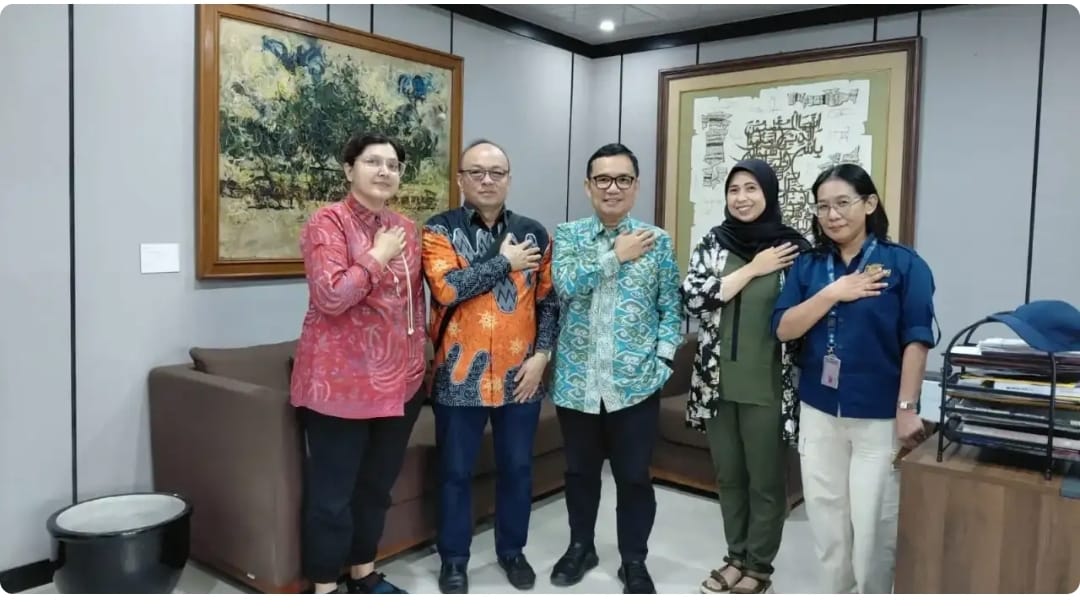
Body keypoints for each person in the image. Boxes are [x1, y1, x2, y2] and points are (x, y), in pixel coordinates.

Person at [771, 163, 936, 594]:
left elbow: (917, 340)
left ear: (870, 203)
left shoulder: (904, 265)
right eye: (823, 206)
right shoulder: (809, 266)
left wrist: (907, 408)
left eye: (843, 203)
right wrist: (833, 292)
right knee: (827, 522)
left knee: (873, 527)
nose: (832, 215)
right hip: (819, 411)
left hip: (878, 417)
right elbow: (784, 328)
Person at [289, 133, 426, 594]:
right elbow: (331, 296)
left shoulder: (406, 228)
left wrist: (418, 364)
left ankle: (363, 573)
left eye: (393, 165)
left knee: (376, 488)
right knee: (332, 496)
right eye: (373, 162)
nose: (385, 171)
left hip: (400, 384)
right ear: (349, 169)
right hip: (339, 386)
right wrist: (377, 255)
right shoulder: (326, 222)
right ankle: (326, 587)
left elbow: (413, 305)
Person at [421, 139, 558, 594]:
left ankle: (512, 551)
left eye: (496, 172)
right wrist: (505, 262)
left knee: (517, 470)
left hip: (521, 376)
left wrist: (542, 356)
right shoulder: (438, 230)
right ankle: (454, 559)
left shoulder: (534, 233)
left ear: (508, 180)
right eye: (476, 172)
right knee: (455, 472)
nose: (486, 180)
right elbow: (447, 289)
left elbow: (548, 302)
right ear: (460, 179)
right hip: (459, 375)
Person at [549, 143, 683, 594]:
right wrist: (616, 255)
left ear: (636, 186)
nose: (612, 188)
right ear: (588, 186)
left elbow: (670, 307)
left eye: (623, 179)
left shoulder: (657, 241)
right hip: (577, 384)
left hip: (635, 385)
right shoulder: (568, 236)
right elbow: (565, 285)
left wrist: (664, 361)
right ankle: (580, 547)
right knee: (580, 475)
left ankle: (634, 560)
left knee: (633, 478)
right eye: (603, 179)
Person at [681, 159, 811, 594]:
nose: (741, 197)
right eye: (734, 189)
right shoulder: (713, 243)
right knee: (729, 477)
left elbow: (805, 315)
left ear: (769, 194)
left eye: (751, 188)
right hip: (716, 384)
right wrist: (754, 267)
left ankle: (759, 566)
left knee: (766, 482)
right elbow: (693, 300)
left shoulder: (793, 250)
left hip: (768, 385)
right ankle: (735, 557)